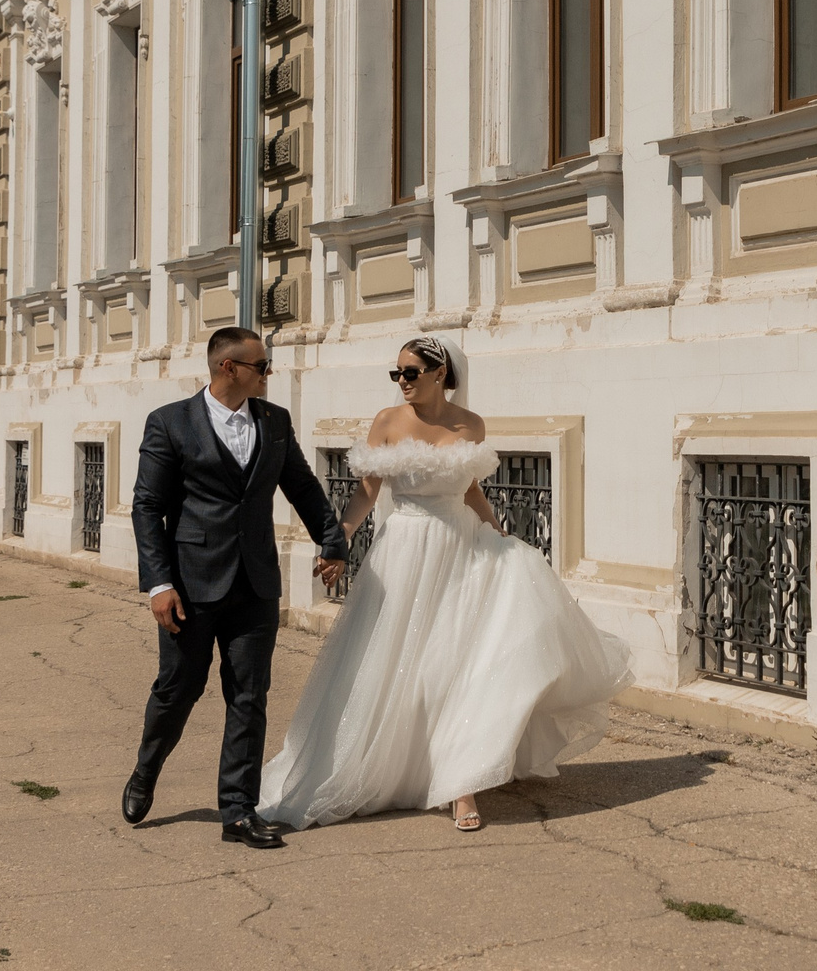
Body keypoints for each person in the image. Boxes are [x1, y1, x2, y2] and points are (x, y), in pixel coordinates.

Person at [258, 336, 631, 833]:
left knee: (458, 665)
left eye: (411, 372)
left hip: (462, 549)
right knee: (399, 664)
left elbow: (470, 487)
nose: (402, 382)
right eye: (396, 373)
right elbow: (367, 492)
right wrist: (339, 540)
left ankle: (460, 784)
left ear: (441, 373)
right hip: (405, 552)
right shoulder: (387, 422)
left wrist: (496, 529)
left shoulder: (470, 424)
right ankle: (387, 765)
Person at [123, 327, 348, 850]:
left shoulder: (274, 421)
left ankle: (238, 812)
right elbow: (146, 507)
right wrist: (158, 583)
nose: (268, 374)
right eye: (261, 366)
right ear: (229, 367)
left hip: (255, 582)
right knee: (177, 690)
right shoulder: (170, 422)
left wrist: (332, 540)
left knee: (249, 695)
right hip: (190, 585)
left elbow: (301, 485)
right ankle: (146, 770)